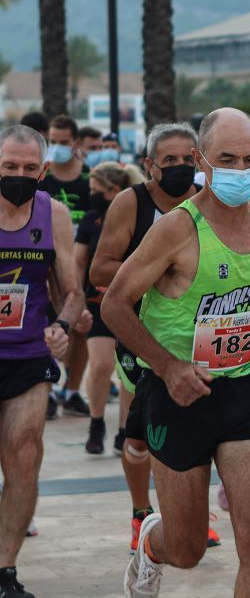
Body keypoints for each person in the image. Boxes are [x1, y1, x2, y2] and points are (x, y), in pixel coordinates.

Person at [104, 108, 250, 597]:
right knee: (188, 548)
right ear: (202, 159)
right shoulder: (177, 229)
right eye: (227, 159)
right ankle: (152, 548)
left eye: (249, 159)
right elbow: (115, 303)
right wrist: (168, 365)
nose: (240, 170)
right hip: (179, 394)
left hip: (247, 390)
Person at [90, 123, 205, 554]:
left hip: (196, 334)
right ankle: (142, 513)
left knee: (196, 422)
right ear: (149, 166)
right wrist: (159, 272)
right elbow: (100, 270)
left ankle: (192, 516)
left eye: (186, 159)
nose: (178, 167)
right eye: (168, 160)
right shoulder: (131, 203)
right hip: (140, 334)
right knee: (142, 434)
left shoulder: (207, 203)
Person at [0, 125, 84, 598]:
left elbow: (70, 291)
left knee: (24, 456)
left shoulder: (53, 215)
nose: (19, 174)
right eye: (10, 166)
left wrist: (63, 326)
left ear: (44, 170)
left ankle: (4, 569)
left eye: (30, 168)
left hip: (29, 355)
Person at [75, 162, 144, 454]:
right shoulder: (91, 219)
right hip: (96, 303)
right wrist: (76, 299)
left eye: (96, 190)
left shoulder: (136, 215)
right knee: (101, 365)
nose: (92, 195)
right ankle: (96, 421)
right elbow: (79, 262)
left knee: (128, 373)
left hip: (130, 305)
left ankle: (124, 430)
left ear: (114, 191)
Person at [40, 114, 93, 418]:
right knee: (47, 325)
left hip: (79, 263)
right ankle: (45, 386)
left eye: (63, 142)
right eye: (52, 142)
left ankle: (72, 390)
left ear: (75, 143)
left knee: (81, 327)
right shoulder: (41, 177)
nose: (57, 148)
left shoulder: (88, 177)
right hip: (46, 264)